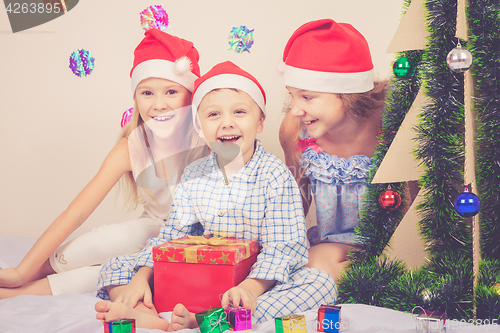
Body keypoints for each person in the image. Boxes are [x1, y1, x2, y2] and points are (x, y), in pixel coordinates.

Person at [94, 61, 336, 331]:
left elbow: (284, 247)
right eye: (213, 115)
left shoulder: (274, 176)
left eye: (240, 112)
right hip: (205, 274)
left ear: (260, 122)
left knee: (320, 283)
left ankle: (215, 319)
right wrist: (142, 276)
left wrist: (251, 289)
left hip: (256, 278)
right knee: (116, 265)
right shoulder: (194, 174)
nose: (227, 123)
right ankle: (140, 308)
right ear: (200, 128)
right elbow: (173, 235)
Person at [0, 29, 208, 299]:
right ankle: (20, 284)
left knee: (108, 270)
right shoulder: (131, 147)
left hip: (196, 239)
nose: (159, 104)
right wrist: (21, 271)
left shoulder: (206, 140)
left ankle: (16, 294)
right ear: (136, 98)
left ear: (190, 96)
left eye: (171, 92)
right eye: (147, 93)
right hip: (152, 229)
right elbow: (75, 213)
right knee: (115, 239)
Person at [279, 19, 389, 282]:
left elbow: (420, 204)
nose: (295, 108)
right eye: (292, 95)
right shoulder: (295, 130)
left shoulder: (393, 123)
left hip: (393, 245)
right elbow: (297, 202)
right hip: (336, 246)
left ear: (346, 92)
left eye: (307, 97)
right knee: (314, 262)